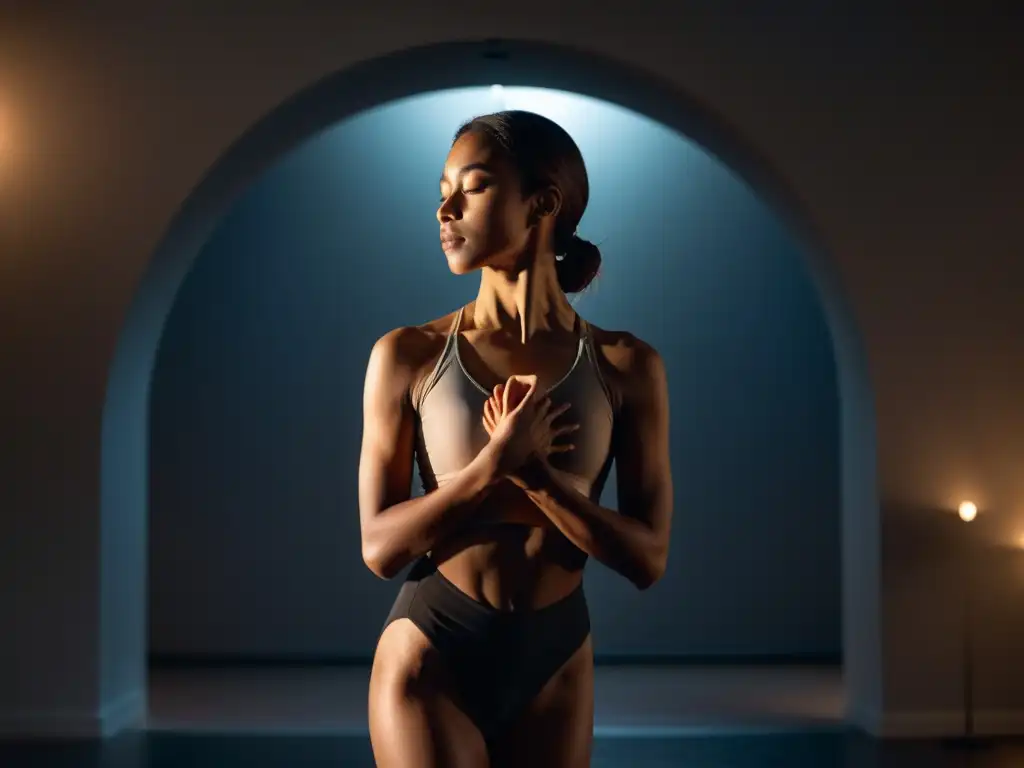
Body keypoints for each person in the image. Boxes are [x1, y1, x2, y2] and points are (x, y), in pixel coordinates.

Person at [358, 110, 673, 768]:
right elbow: (380, 548)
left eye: (471, 186)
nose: (445, 207)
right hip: (434, 649)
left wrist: (538, 480)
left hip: (558, 658)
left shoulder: (626, 366)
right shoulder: (410, 355)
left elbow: (648, 559)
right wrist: (490, 468)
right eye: (441, 188)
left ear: (543, 203)